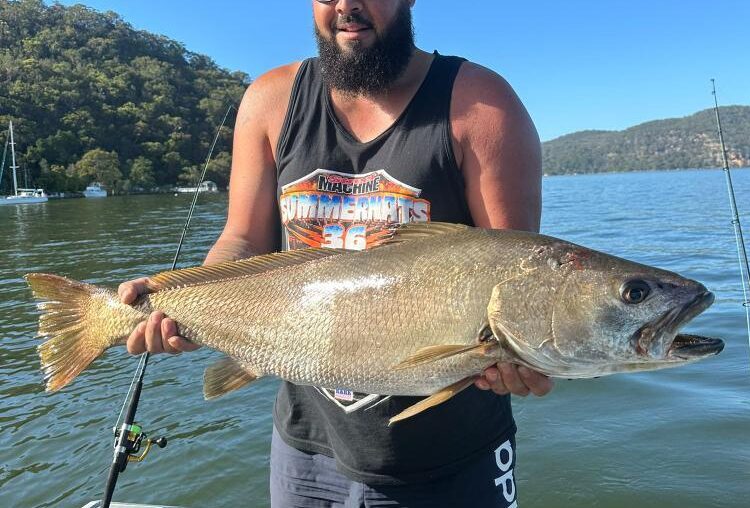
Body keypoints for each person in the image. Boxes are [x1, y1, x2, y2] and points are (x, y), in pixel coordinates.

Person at [118, 1, 553, 505]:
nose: (346, 4)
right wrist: (185, 304)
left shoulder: (481, 105)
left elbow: (514, 270)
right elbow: (241, 240)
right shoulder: (270, 100)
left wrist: (522, 356)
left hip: (450, 462)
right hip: (304, 452)